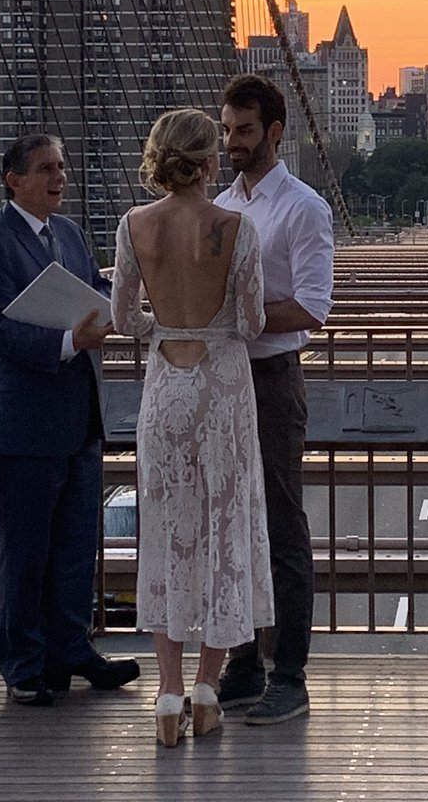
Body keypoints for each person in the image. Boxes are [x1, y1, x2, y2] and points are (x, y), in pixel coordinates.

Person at [111, 108, 274, 744]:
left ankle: (167, 693)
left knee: (166, 533)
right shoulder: (236, 228)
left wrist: (162, 326)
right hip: (222, 388)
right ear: (209, 162)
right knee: (223, 530)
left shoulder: (134, 225)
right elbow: (253, 323)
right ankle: (208, 689)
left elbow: (125, 319)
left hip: (164, 392)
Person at [0, 133, 140, 707]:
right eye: (45, 168)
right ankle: (23, 665)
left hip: (79, 418)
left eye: (61, 166)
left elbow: (94, 288)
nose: (58, 177)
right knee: (26, 552)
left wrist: (122, 301)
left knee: (75, 548)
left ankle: (71, 650)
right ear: (13, 180)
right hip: (26, 425)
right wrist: (69, 342)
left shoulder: (68, 233)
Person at [215, 74, 334, 726]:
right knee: (231, 526)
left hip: (271, 380)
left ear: (276, 132)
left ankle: (290, 676)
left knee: (282, 527)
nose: (232, 142)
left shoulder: (303, 208)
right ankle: (242, 665)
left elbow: (312, 307)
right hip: (223, 381)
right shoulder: (219, 206)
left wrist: (237, 318)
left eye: (245, 130)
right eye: (227, 130)